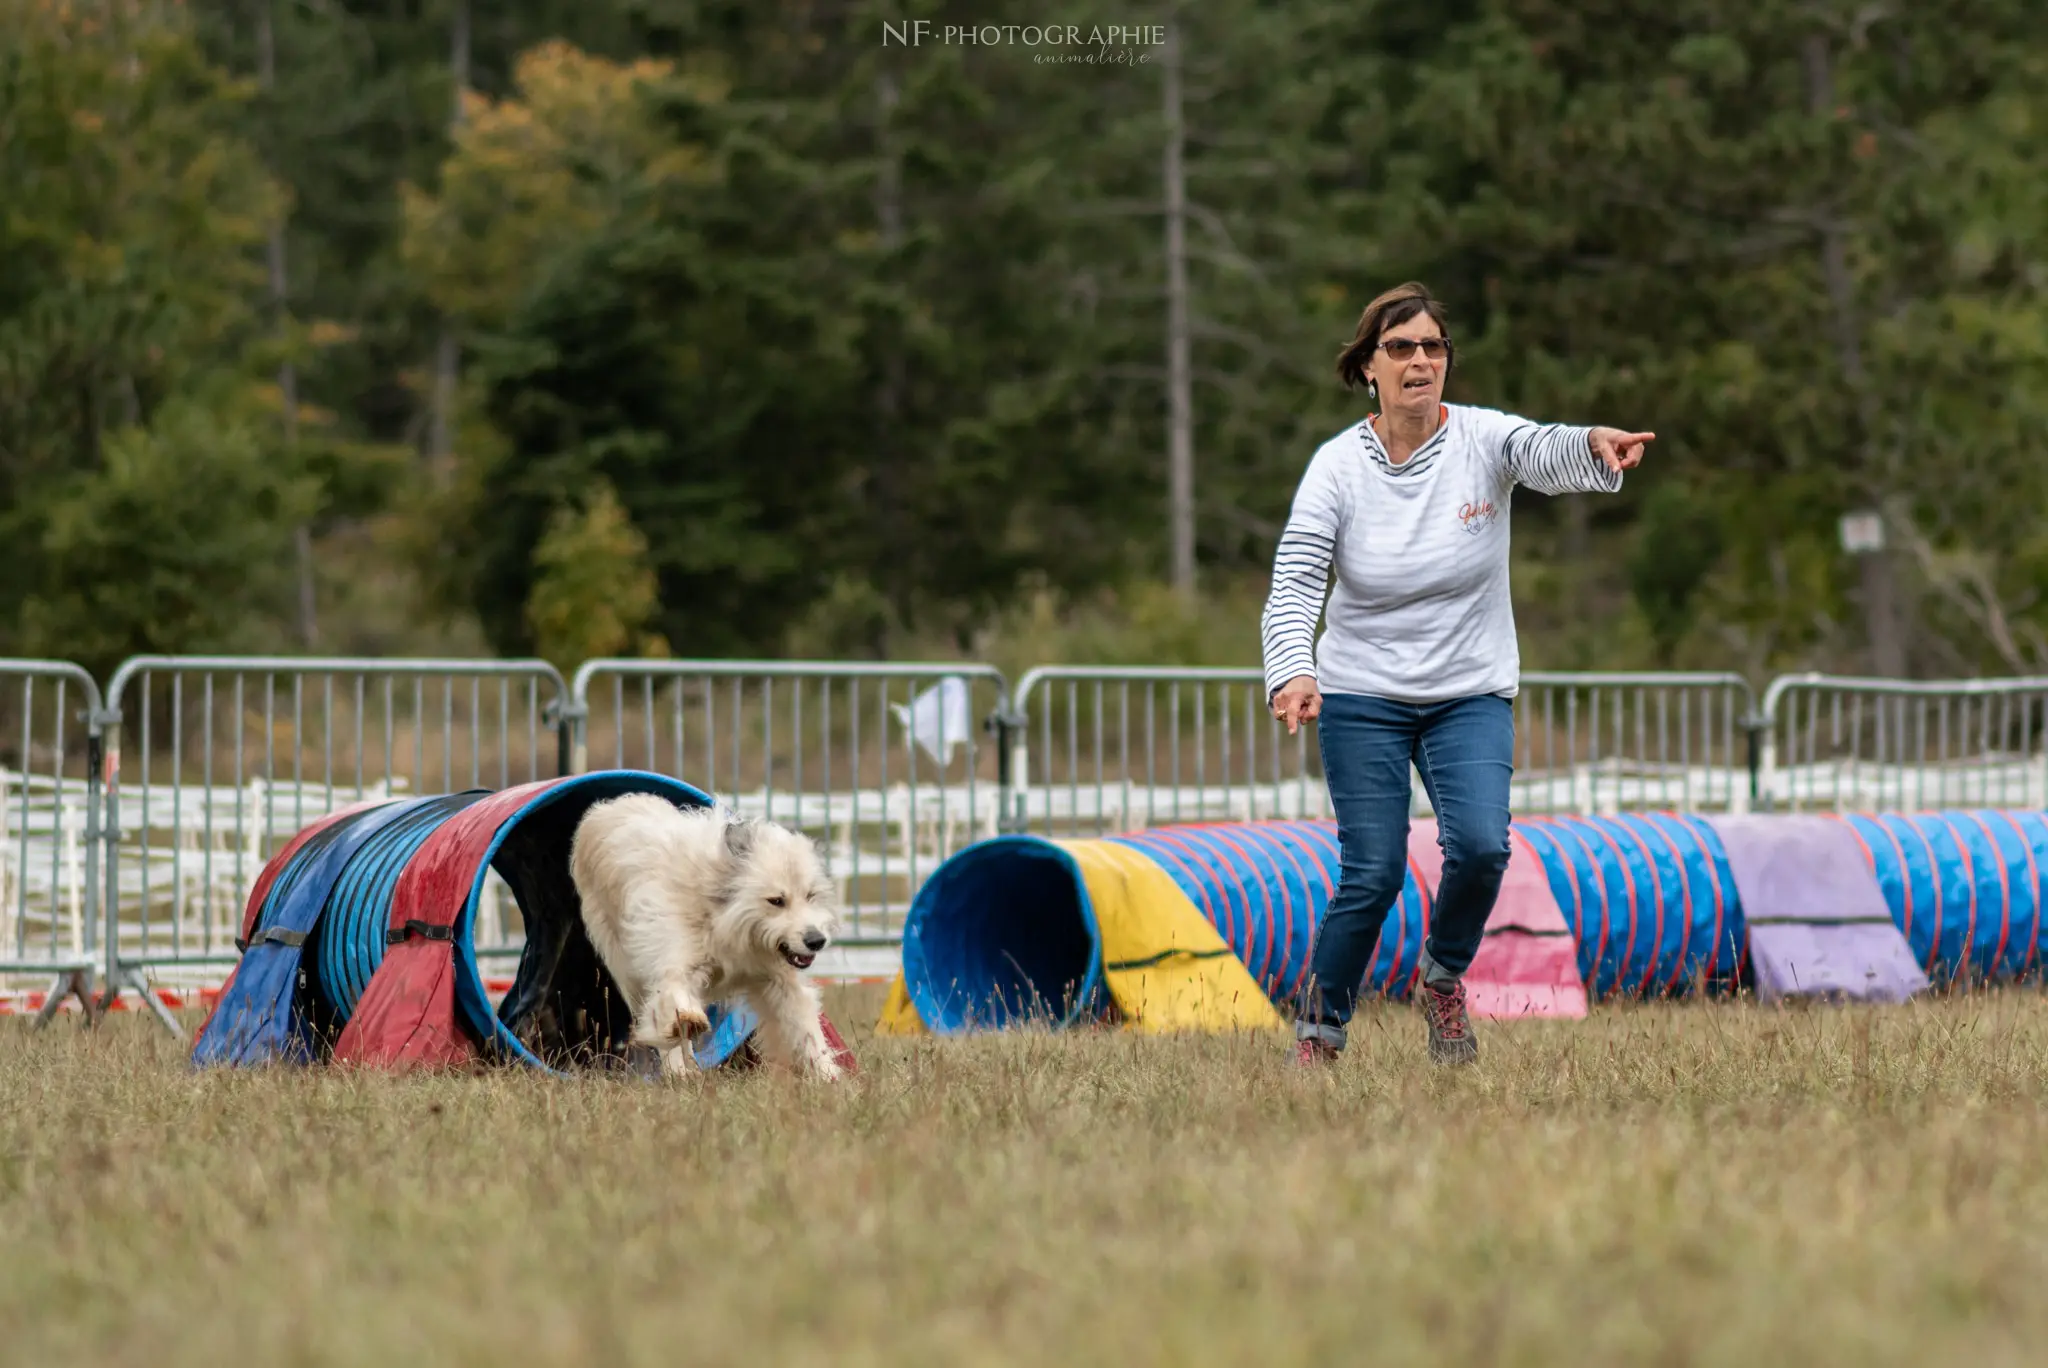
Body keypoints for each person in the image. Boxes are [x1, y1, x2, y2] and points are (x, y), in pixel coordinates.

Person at [1261, 282, 1653, 1066]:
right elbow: (1299, 578)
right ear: (1368, 366)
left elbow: (1539, 449)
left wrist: (1591, 446)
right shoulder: (1337, 467)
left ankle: (1442, 979)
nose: (1419, 361)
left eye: (1433, 347)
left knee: (1479, 847)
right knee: (1371, 873)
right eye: (1400, 348)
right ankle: (1321, 1031)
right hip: (1363, 693)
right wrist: (1292, 670)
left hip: (1467, 691)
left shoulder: (1482, 440)